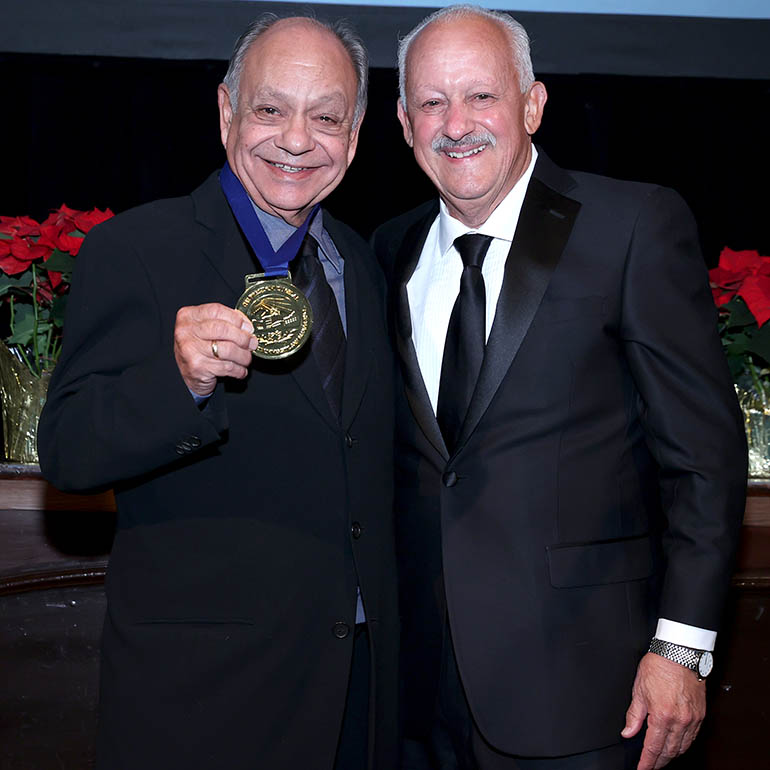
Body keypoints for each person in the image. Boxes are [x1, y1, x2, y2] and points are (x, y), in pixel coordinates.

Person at [371, 5, 747, 770]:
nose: (457, 123)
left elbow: (705, 459)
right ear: (405, 123)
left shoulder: (632, 224)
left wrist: (682, 649)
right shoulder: (390, 249)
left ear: (532, 104)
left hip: (591, 691)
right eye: (433, 103)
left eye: (481, 96)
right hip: (418, 697)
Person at [38, 14, 398, 770]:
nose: (297, 140)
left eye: (326, 116)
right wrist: (180, 382)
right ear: (227, 112)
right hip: (202, 704)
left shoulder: (361, 266)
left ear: (356, 133)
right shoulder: (137, 250)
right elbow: (67, 451)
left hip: (355, 700)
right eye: (270, 109)